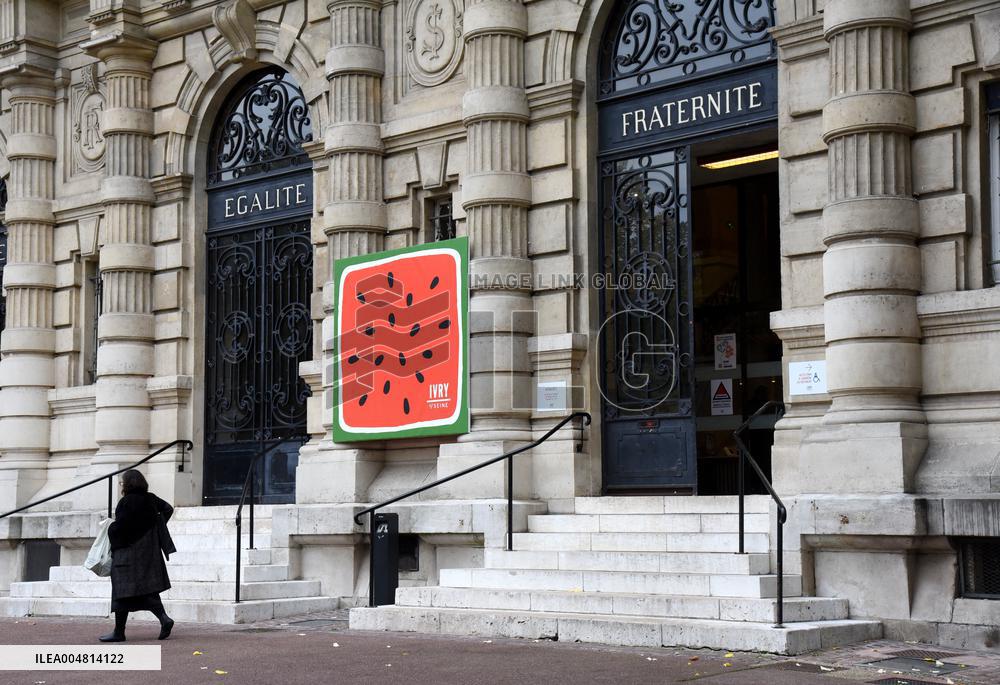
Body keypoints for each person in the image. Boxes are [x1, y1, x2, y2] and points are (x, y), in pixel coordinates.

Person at [99, 469, 176, 642]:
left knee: (122, 591)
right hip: (148, 552)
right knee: (147, 590)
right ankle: (164, 619)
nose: (121, 486)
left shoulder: (126, 502)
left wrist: (110, 528)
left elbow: (122, 528)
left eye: (122, 483)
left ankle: (119, 632)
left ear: (127, 484)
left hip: (128, 553)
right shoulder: (151, 499)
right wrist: (156, 527)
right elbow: (168, 509)